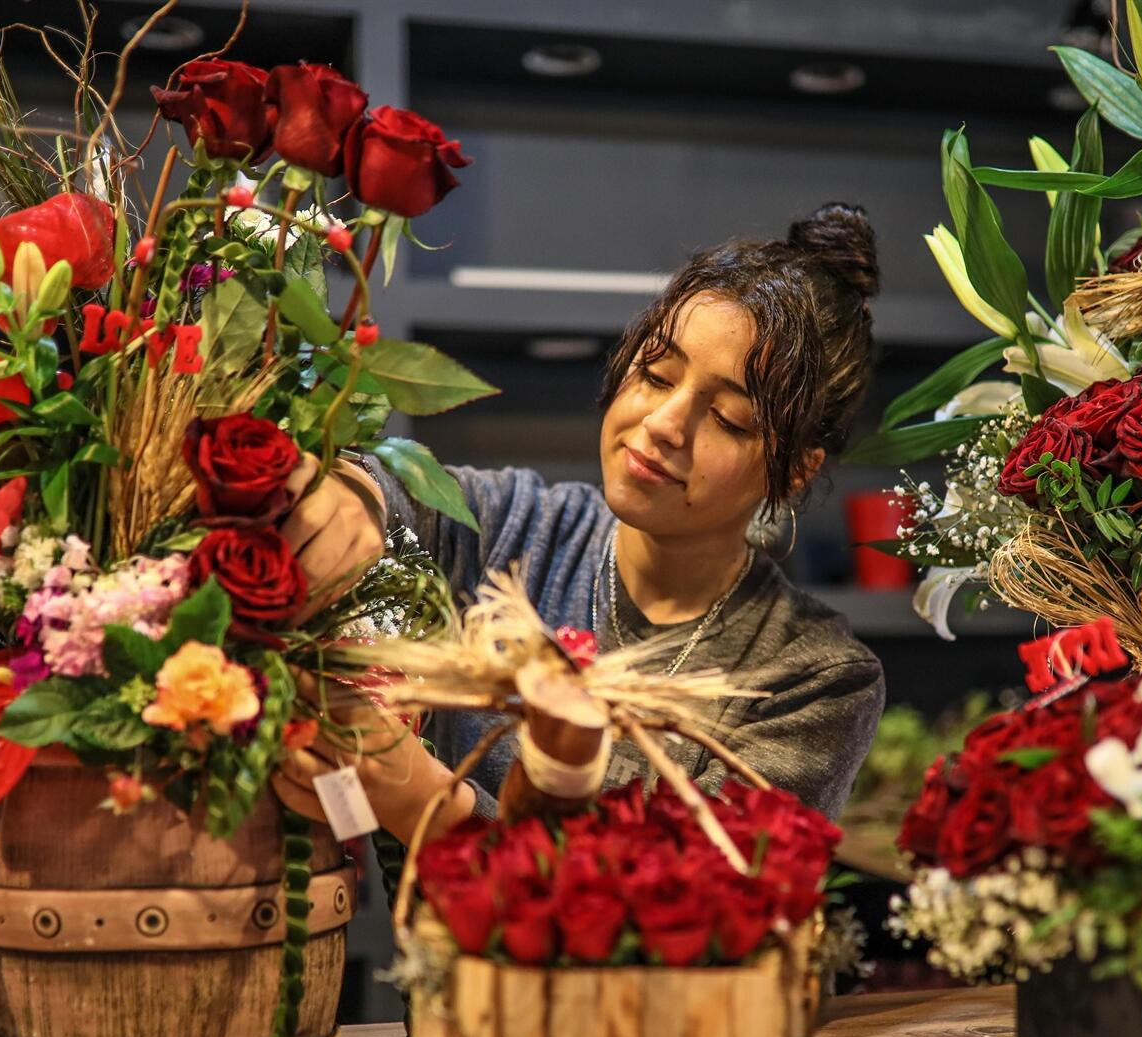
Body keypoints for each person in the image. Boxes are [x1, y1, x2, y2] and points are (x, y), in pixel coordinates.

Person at [273, 202, 887, 839]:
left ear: (794, 471)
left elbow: (683, 913)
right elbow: (393, 493)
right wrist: (347, 495)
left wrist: (430, 809)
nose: (664, 424)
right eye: (655, 374)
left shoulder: (814, 680)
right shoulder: (519, 526)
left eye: (729, 419)